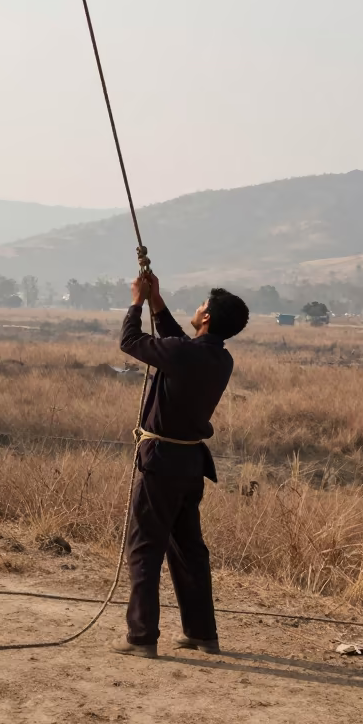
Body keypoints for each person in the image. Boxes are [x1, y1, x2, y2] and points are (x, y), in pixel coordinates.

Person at [111, 275, 249, 659]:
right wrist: (157, 301)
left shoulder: (185, 354)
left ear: (205, 317)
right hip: (190, 465)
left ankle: (141, 637)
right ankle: (202, 633)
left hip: (162, 464)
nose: (197, 308)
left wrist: (137, 302)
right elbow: (180, 346)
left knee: (145, 548)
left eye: (201, 305)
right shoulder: (220, 358)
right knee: (189, 550)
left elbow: (130, 341)